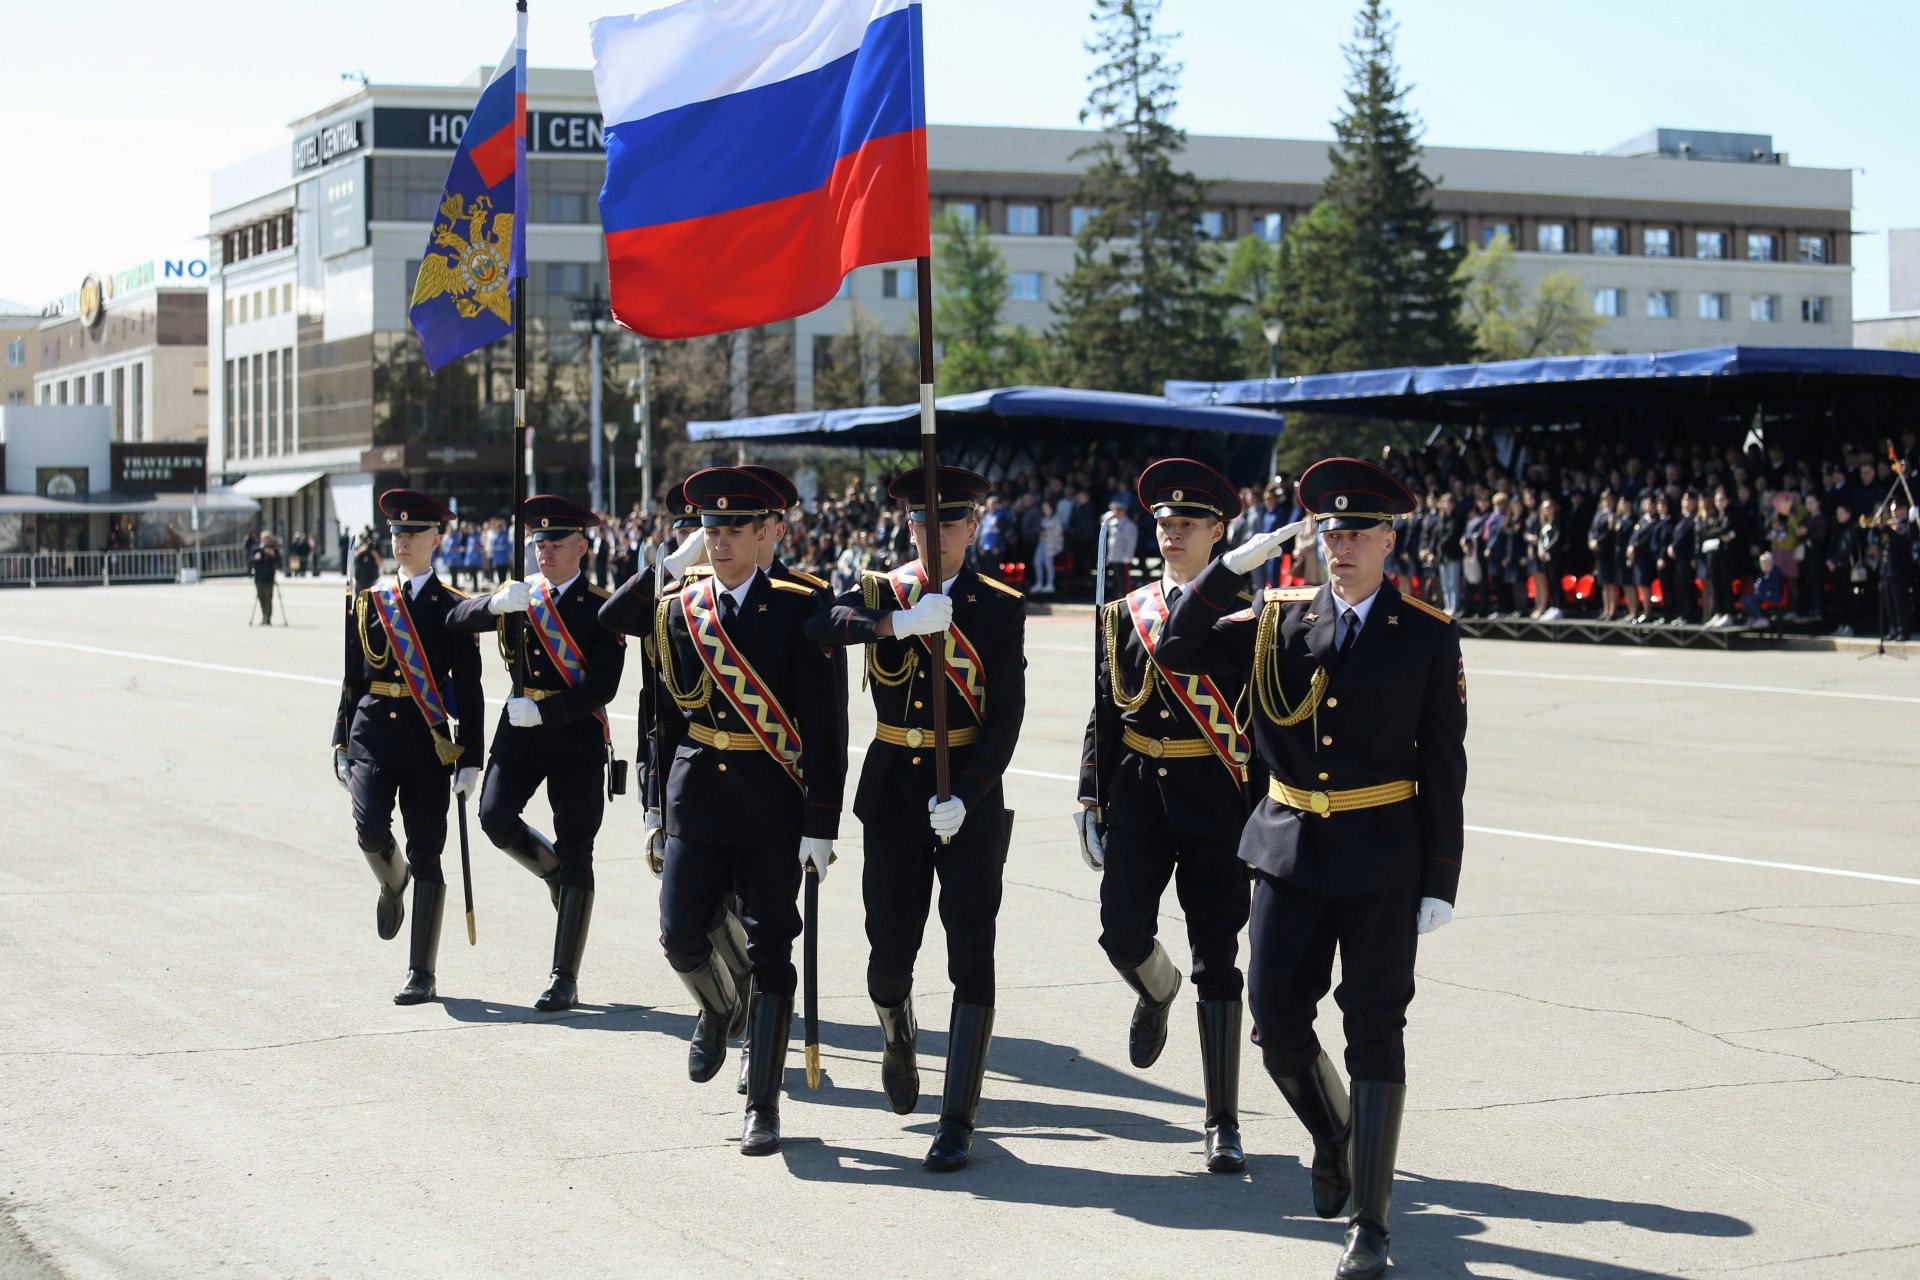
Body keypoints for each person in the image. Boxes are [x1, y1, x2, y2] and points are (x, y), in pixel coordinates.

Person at [1156, 456, 1467, 1280]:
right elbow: (1178, 647)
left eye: (1358, 532)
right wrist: (1229, 570)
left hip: (1382, 857)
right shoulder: (1276, 621)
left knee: (1375, 1029)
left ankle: (1371, 1223)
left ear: (1389, 540)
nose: (1342, 547)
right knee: (1276, 1022)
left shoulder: (1427, 632)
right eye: (1331, 533)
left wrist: (1441, 877)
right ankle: (1335, 1137)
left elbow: (1443, 764)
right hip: (1289, 850)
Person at [599, 468, 845, 1156]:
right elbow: (618, 632)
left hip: (773, 801)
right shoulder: (680, 604)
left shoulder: (801, 604)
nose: (720, 539)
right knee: (681, 934)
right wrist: (672, 561)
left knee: (771, 950)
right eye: (710, 528)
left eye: (735, 528)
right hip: (698, 794)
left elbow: (825, 723)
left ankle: (763, 1104)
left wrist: (821, 822)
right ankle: (718, 1007)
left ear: (766, 531)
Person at [805, 466, 1027, 1173]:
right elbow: (820, 624)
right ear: (908, 528)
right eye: (924, 524)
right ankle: (897, 1030)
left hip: (967, 795)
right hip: (895, 791)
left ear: (973, 526)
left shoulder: (998, 605)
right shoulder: (882, 591)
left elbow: (1006, 717)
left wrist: (971, 792)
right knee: (888, 952)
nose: (937, 535)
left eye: (950, 523)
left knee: (972, 952)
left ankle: (958, 1118)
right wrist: (896, 623)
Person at [1077, 460, 1255, 1175]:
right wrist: (1090, 795)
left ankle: (1222, 1119)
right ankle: (1157, 990)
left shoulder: (1251, 618)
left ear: (1218, 532)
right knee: (1120, 933)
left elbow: (1262, 726)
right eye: (1164, 523)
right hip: (1139, 792)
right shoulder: (1125, 612)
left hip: (1215, 797)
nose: (1173, 533)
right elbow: (1105, 707)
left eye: (1188, 523)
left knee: (1218, 958)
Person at [447, 495, 625, 1011]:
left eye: (556, 544)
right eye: (539, 544)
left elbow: (604, 687)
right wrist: (492, 605)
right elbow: (455, 619)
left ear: (581, 548)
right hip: (519, 732)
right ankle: (552, 874)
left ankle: (564, 976)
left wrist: (546, 712)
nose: (545, 552)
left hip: (574, 732)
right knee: (494, 816)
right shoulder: (521, 595)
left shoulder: (601, 606)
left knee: (577, 847)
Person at [330, 490, 484, 1004]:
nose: (402, 539)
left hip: (427, 741)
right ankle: (393, 884)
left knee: (428, 851)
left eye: (413, 532)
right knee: (370, 828)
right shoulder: (370, 601)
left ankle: (422, 971)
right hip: (372, 733)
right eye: (396, 531)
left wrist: (472, 757)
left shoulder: (453, 607)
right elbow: (353, 677)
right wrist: (339, 739)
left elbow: (470, 687)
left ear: (436, 539)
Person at [250, 534, 281, 625]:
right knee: (261, 597)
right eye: (264, 539)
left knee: (268, 598)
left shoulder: (273, 549)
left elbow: (279, 561)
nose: (265, 541)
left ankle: (268, 617)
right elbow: (249, 560)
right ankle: (264, 615)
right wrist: (255, 558)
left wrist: (272, 554)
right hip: (259, 577)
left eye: (267, 539)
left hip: (269, 577)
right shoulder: (256, 549)